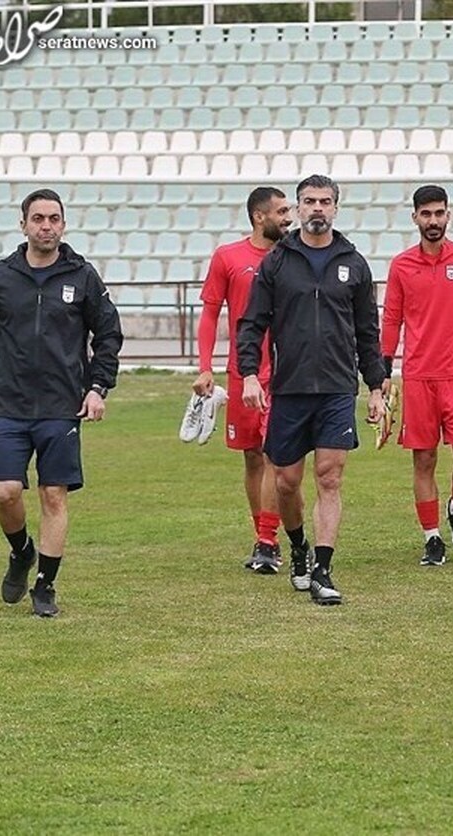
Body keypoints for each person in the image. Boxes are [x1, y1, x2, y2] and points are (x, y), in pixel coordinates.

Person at [0, 188, 123, 618]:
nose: (46, 226)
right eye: (38, 218)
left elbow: (108, 336)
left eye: (53, 218)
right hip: (9, 405)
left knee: (53, 495)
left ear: (63, 225)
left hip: (62, 407)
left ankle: (45, 586)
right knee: (6, 492)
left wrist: (97, 387)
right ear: (23, 223)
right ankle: (21, 551)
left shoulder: (83, 276)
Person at [236, 175, 386, 606]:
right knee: (285, 482)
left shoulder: (353, 263)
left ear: (336, 208)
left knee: (330, 477)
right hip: (290, 388)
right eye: (308, 201)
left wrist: (375, 386)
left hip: (338, 388)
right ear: (298, 209)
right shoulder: (278, 262)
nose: (317, 208)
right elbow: (252, 324)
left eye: (325, 201)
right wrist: (249, 374)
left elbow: (366, 332)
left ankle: (322, 567)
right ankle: (298, 546)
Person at [382, 185, 453, 567]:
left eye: (439, 214)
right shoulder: (401, 265)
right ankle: (432, 538)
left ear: (449, 216)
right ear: (414, 217)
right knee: (424, 460)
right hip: (419, 377)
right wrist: (383, 373)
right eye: (426, 214)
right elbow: (392, 319)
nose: (433, 221)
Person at [192, 187, 291, 574]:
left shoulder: (294, 256)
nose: (289, 218)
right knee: (252, 457)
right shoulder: (228, 258)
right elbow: (210, 313)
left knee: (276, 458)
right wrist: (205, 365)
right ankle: (264, 537)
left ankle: (268, 540)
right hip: (243, 373)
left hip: (285, 374)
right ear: (258, 216)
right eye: (281, 211)